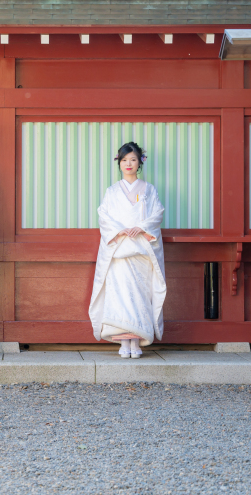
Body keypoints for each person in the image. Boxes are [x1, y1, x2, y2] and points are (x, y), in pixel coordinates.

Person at [88, 142, 167, 359]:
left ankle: (137, 340)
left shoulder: (149, 190)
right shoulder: (112, 191)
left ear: (140, 161)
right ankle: (124, 342)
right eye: (124, 160)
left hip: (141, 251)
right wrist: (120, 230)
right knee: (120, 297)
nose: (128, 164)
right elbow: (103, 215)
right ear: (119, 163)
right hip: (119, 251)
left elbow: (157, 213)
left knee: (139, 297)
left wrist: (141, 227)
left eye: (132, 159)